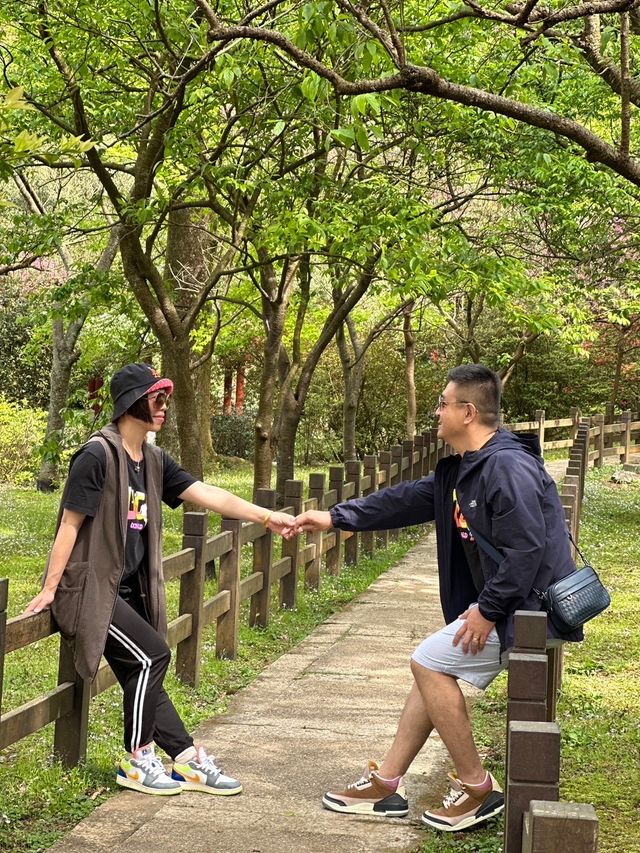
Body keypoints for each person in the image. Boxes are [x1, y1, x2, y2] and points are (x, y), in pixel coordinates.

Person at [289, 364, 582, 831]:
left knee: (428, 662)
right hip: (512, 604)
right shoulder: (468, 468)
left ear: (468, 412)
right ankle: (386, 785)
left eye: (443, 403)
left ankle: (478, 789)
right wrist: (333, 517)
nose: (436, 411)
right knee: (432, 668)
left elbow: (527, 549)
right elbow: (407, 499)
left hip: (528, 612)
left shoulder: (505, 466)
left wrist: (487, 610)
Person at [24, 363, 295, 797]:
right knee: (152, 656)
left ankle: (186, 759)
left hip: (126, 591)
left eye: (166, 397)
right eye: (157, 398)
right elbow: (69, 526)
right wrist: (51, 588)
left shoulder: (152, 459)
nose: (164, 406)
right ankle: (137, 759)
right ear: (132, 402)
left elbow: (207, 494)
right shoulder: (96, 455)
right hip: (91, 590)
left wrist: (266, 516)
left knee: (142, 670)